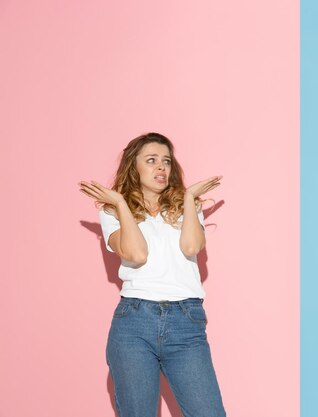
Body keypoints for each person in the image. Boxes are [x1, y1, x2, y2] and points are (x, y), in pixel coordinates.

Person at [79, 132, 226, 417]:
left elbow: (192, 246)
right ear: (134, 167)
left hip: (187, 323)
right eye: (152, 160)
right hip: (134, 323)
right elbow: (136, 254)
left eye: (166, 161)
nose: (162, 167)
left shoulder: (188, 207)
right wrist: (122, 204)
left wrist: (190, 198)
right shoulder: (112, 211)